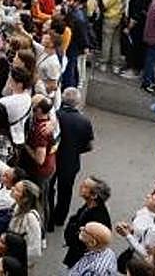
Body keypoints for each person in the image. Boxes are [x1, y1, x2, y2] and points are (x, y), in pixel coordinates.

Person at [52, 87, 95, 231]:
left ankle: (48, 215)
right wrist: (76, 150)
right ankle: (59, 218)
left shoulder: (56, 116)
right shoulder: (84, 121)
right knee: (65, 191)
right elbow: (89, 146)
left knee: (49, 189)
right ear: (77, 102)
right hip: (71, 162)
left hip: (53, 158)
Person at [62, 176, 112, 269]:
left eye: (85, 187)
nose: (81, 186)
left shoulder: (98, 218)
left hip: (81, 257)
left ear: (94, 196)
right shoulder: (89, 205)